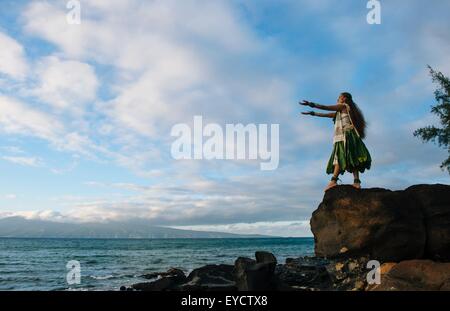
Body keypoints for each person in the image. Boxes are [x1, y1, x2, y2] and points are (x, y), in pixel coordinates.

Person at [300, 92, 372, 191]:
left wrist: (311, 104)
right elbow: (326, 115)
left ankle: (333, 181)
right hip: (351, 136)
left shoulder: (343, 106)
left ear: (344, 98)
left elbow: (326, 107)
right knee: (353, 158)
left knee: (339, 156)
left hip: (346, 136)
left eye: (339, 97)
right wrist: (313, 113)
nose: (337, 99)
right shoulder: (342, 111)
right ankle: (356, 182)